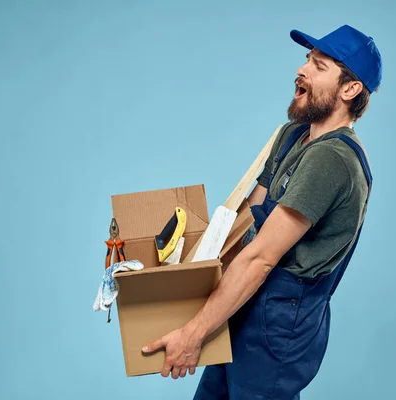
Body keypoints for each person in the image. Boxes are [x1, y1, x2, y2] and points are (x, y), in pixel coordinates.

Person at [141, 24, 382, 399]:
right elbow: (246, 224)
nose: (301, 71)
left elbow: (260, 258)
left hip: (278, 326)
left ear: (350, 89)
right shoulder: (292, 135)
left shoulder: (333, 160)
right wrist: (185, 275)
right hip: (240, 302)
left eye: (319, 67)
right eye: (306, 61)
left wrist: (193, 333)